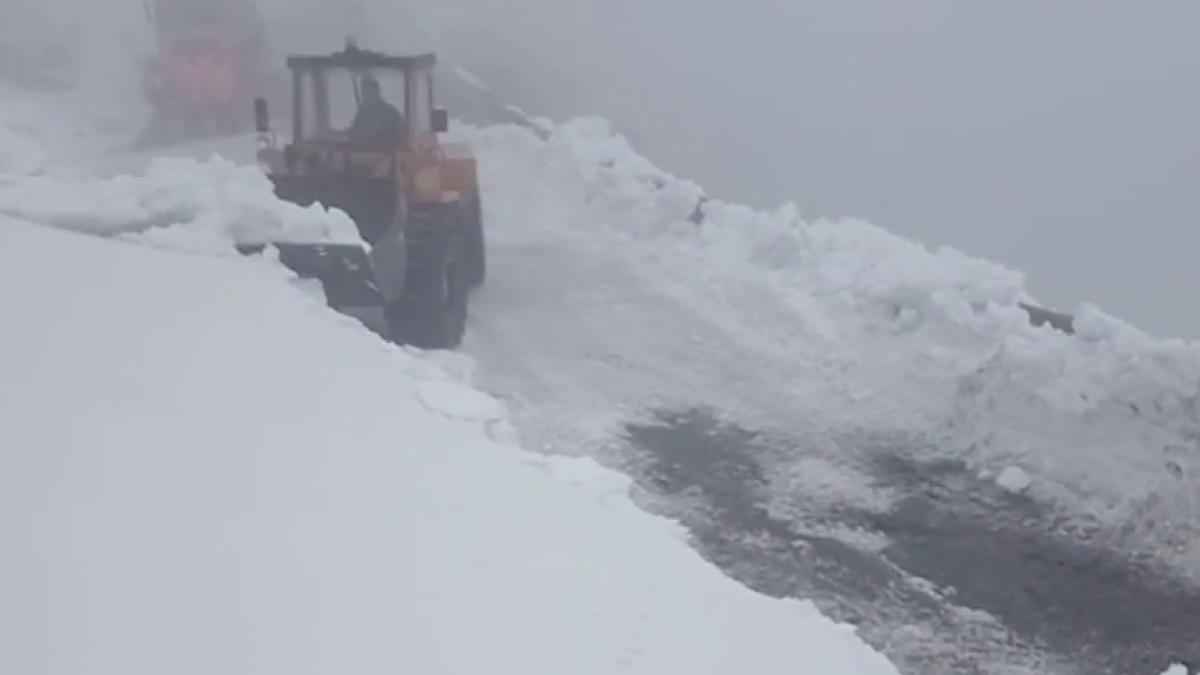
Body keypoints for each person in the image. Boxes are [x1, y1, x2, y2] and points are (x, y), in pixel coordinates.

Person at [349, 76, 404, 144]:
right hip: (362, 151)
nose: (365, 97)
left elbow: (399, 137)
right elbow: (355, 132)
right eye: (363, 94)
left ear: (376, 93)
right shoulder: (362, 113)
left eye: (368, 94)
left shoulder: (391, 112)